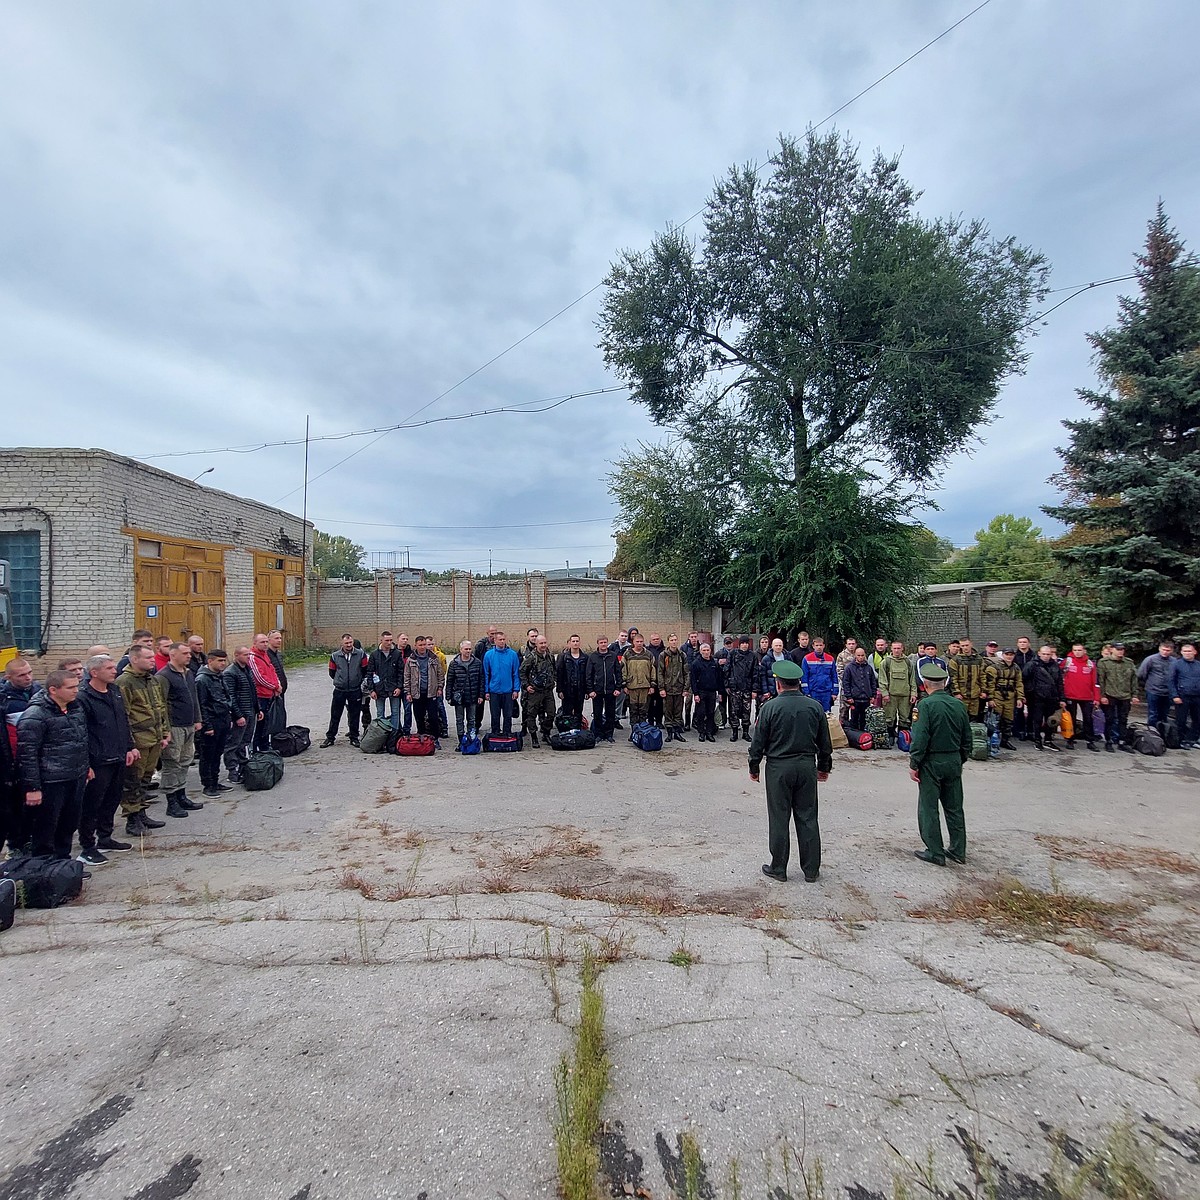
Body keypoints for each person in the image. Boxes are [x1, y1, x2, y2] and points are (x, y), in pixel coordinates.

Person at [748, 659, 832, 883]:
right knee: (808, 818)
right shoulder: (814, 707)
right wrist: (824, 767)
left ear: (778, 684)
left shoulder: (769, 708)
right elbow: (826, 743)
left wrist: (754, 766)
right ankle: (811, 869)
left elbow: (758, 742)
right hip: (806, 766)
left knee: (779, 817)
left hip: (778, 767)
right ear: (798, 683)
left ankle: (778, 867)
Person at [17, 669, 92, 861]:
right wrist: (33, 787)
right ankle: (44, 869)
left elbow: (81, 740)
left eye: (77, 686)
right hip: (51, 781)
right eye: (71, 687)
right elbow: (27, 754)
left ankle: (63, 865)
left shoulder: (75, 708)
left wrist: (86, 766)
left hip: (75, 775)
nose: (76, 691)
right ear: (53, 690)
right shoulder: (35, 715)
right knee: (47, 827)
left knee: (68, 824)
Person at [907, 663, 973, 866]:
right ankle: (958, 849)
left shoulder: (924, 705)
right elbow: (968, 738)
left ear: (925, 684)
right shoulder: (958, 705)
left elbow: (920, 737)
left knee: (929, 807)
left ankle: (935, 851)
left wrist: (914, 762)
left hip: (931, 761)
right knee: (954, 807)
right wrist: (960, 757)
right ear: (944, 683)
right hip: (953, 760)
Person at [76, 654, 139, 864]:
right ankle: (87, 845)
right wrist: (87, 763)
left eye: (114, 667)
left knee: (112, 800)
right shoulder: (83, 697)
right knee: (92, 803)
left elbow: (123, 720)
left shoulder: (114, 690)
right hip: (98, 759)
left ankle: (105, 837)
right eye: (110, 668)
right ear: (94, 672)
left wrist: (130, 746)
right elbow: (81, 733)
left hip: (119, 756)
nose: (115, 670)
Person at [116, 644, 170, 836]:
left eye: (152, 657)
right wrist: (129, 745)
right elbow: (123, 716)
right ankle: (132, 819)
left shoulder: (152, 680)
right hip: (139, 740)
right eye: (147, 658)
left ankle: (142, 813)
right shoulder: (124, 682)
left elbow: (160, 708)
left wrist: (165, 732)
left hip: (154, 737)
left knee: (145, 779)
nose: (152, 660)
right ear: (134, 659)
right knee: (133, 781)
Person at [157, 641, 204, 817]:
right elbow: (160, 704)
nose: (189, 656)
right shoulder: (164, 676)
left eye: (189, 653)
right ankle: (172, 801)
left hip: (189, 723)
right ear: (173, 655)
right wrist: (165, 729)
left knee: (185, 759)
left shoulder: (188, 673)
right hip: (174, 726)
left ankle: (182, 795)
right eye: (185, 653)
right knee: (172, 762)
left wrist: (197, 718)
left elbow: (194, 697)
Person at [196, 649, 234, 797]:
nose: (223, 663)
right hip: (211, 722)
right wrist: (208, 725)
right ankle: (208, 785)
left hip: (223, 719)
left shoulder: (220, 676)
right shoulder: (202, 679)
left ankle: (215, 781)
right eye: (219, 661)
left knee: (217, 753)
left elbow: (226, 697)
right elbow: (202, 704)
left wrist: (229, 717)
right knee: (208, 754)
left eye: (224, 660)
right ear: (210, 661)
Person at [321, 634, 370, 748]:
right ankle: (330, 737)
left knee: (354, 714)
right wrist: (341, 680)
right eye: (346, 643)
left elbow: (364, 670)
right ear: (342, 644)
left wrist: (356, 681)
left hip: (355, 689)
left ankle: (354, 738)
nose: (349, 645)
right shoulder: (334, 656)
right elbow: (332, 672)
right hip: (340, 690)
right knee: (335, 714)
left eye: (350, 643)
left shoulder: (360, 654)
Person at [1023, 646, 1066, 752]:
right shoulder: (1032, 664)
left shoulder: (1055, 665)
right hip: (1036, 697)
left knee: (1050, 720)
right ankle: (1037, 740)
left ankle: (1048, 740)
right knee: (1037, 720)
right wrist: (1029, 693)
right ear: (1039, 653)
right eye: (1044, 654)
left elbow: (1059, 683)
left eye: (1048, 654)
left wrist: (1062, 698)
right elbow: (1024, 679)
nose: (1046, 656)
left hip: (1052, 697)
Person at [222, 647, 256, 782]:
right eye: (245, 654)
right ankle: (232, 770)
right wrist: (237, 715)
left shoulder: (247, 669)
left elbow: (252, 691)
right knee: (233, 743)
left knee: (245, 741)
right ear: (236, 655)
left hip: (250, 711)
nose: (248, 657)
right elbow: (230, 697)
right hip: (240, 713)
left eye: (249, 654)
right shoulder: (230, 673)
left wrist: (257, 709)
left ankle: (243, 766)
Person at [1096, 641, 1138, 752]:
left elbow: (1133, 680)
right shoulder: (1104, 662)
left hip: (1125, 695)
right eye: (1118, 649)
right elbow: (1101, 680)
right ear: (1112, 650)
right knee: (1109, 719)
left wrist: (1135, 694)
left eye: (1122, 649)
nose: (1120, 652)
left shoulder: (1129, 663)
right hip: (1110, 694)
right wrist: (1102, 695)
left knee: (1123, 719)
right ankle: (1108, 741)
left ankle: (1122, 742)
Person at [404, 635, 445, 746]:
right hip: (417, 693)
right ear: (415, 645)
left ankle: (435, 739)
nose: (422, 647)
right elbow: (407, 676)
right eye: (420, 645)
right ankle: (421, 738)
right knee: (419, 717)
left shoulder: (434, 658)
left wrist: (440, 687)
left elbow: (440, 674)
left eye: (424, 645)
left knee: (433, 717)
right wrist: (408, 692)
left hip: (431, 693)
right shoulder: (410, 660)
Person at [1061, 643, 1100, 751]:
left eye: (1079, 650)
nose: (1077, 652)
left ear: (1084, 651)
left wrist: (1096, 698)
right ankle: (1070, 740)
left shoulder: (1090, 664)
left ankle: (1090, 741)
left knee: (1088, 719)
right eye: (1075, 650)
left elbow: (1095, 682)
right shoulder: (1067, 662)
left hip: (1087, 697)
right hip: (1070, 695)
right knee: (1071, 719)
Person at [983, 649, 1025, 750]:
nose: (1009, 657)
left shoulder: (1016, 668)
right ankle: (991, 741)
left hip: (1010, 697)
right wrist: (990, 698)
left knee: (1008, 721)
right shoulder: (993, 668)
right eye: (1007, 654)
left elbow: (1019, 683)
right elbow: (990, 684)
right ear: (1003, 655)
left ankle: (1005, 741)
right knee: (994, 720)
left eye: (1011, 655)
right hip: (997, 696)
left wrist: (1020, 698)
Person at [520, 635, 558, 747]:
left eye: (545, 643)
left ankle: (546, 733)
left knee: (551, 713)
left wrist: (554, 681)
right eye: (541, 643)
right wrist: (526, 686)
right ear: (536, 644)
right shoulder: (531, 657)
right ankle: (534, 737)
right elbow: (522, 672)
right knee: (531, 715)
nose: (543, 645)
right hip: (534, 692)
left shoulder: (550, 656)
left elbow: (554, 670)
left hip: (548, 691)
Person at [483, 631, 522, 736]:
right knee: (495, 716)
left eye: (504, 639)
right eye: (500, 640)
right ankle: (495, 734)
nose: (502, 641)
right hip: (494, 691)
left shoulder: (512, 655)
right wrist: (486, 691)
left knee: (508, 715)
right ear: (494, 640)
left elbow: (516, 673)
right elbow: (486, 674)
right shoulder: (488, 655)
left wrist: (516, 689)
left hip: (508, 691)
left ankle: (507, 734)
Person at [446, 641, 484, 746]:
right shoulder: (454, 663)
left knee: (472, 720)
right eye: (466, 649)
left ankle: (471, 740)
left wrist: (481, 695)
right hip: (459, 697)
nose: (468, 651)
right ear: (460, 650)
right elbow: (449, 680)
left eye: (469, 649)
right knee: (459, 720)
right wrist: (448, 696)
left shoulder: (477, 663)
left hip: (473, 696)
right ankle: (461, 741)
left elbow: (481, 680)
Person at [586, 636, 623, 743]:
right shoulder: (593, 657)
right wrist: (590, 690)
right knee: (597, 714)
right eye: (601, 642)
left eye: (605, 642)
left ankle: (609, 734)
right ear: (598, 643)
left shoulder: (613, 656)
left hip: (611, 690)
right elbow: (589, 675)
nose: (603, 644)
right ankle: (598, 734)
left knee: (610, 714)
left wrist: (618, 688)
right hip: (597, 691)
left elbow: (618, 673)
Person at [877, 641, 916, 741]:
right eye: (894, 648)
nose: (896, 650)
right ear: (891, 649)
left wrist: (913, 693)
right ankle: (890, 737)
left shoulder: (908, 662)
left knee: (905, 718)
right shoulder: (886, 662)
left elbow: (912, 679)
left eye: (898, 648)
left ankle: (903, 738)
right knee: (889, 718)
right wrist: (885, 693)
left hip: (905, 695)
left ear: (902, 649)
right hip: (891, 696)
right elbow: (882, 679)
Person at [368, 632, 406, 733]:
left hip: (394, 688)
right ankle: (381, 734)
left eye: (390, 640)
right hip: (379, 689)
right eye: (387, 640)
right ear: (381, 640)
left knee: (395, 712)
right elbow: (369, 673)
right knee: (380, 713)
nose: (389, 642)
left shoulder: (397, 654)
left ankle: (394, 736)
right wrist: (371, 690)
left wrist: (399, 687)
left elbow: (401, 672)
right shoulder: (374, 655)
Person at [688, 642, 725, 742]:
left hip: (712, 692)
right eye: (704, 650)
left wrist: (720, 693)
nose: (706, 652)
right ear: (700, 651)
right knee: (700, 713)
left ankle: (709, 732)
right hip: (701, 692)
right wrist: (695, 694)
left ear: (710, 651)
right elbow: (693, 680)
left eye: (707, 650)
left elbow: (719, 679)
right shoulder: (696, 663)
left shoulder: (715, 663)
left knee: (710, 713)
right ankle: (701, 732)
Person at [658, 634, 691, 743]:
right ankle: (669, 733)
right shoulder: (663, 655)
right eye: (671, 640)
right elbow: (660, 673)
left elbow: (686, 673)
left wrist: (686, 688)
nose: (674, 642)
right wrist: (661, 688)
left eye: (675, 640)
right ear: (668, 642)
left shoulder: (682, 655)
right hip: (667, 688)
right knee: (668, 712)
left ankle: (677, 732)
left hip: (679, 688)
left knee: (678, 712)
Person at [622, 633, 659, 729]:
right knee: (633, 711)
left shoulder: (649, 655)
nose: (639, 643)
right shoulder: (627, 654)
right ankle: (634, 731)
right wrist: (624, 685)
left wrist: (652, 685)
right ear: (633, 642)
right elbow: (623, 670)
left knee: (643, 711)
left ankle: (643, 731)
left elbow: (653, 670)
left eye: (641, 642)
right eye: (637, 642)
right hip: (632, 687)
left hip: (645, 687)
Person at [725, 635, 758, 742]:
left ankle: (745, 732)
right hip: (735, 688)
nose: (744, 645)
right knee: (734, 710)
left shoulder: (753, 656)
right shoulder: (733, 654)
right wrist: (727, 685)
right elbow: (727, 670)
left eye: (746, 643)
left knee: (746, 711)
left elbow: (755, 674)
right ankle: (734, 732)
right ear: (739, 644)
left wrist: (754, 690)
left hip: (747, 688)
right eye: (743, 643)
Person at [1138, 641, 1177, 730]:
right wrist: (1149, 683)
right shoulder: (1150, 659)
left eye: (1168, 650)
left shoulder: (1174, 661)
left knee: (1164, 714)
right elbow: (1141, 674)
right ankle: (1152, 733)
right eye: (1163, 650)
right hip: (1153, 691)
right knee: (1153, 714)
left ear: (1171, 651)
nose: (1165, 652)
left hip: (1167, 692)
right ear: (1159, 648)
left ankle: (1163, 734)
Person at [949, 638, 987, 722]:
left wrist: (984, 690)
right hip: (962, 695)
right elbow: (953, 677)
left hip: (975, 695)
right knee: (961, 718)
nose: (965, 648)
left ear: (971, 645)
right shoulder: (955, 660)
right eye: (962, 646)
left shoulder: (979, 659)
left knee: (974, 719)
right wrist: (956, 692)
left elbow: (983, 676)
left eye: (967, 645)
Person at [557, 634, 590, 728]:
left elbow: (587, 675)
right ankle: (567, 730)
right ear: (569, 643)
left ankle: (577, 730)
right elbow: (560, 674)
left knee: (578, 712)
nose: (575, 643)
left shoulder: (585, 657)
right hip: (567, 690)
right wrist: (560, 690)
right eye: (573, 641)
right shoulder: (563, 657)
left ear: (580, 643)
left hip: (580, 690)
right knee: (566, 713)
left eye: (577, 641)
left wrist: (587, 691)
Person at [841, 647, 878, 731]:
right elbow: (846, 683)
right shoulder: (849, 668)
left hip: (866, 699)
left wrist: (873, 695)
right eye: (858, 655)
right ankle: (855, 738)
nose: (861, 657)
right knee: (854, 720)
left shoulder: (868, 668)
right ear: (855, 655)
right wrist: (849, 697)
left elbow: (873, 682)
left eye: (862, 655)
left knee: (865, 720)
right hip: (855, 699)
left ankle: (864, 739)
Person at [1172, 642, 1200, 749]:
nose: (1187, 653)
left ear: (1195, 652)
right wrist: (1175, 695)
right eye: (1185, 651)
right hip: (1182, 696)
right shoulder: (1176, 664)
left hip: (1197, 696)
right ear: (1181, 652)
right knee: (1181, 720)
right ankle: (1181, 740)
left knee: (1197, 719)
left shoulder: (1198, 665)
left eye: (1189, 651)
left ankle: (1192, 739)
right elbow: (1171, 681)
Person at [800, 637, 839, 715]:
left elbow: (834, 676)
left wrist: (835, 692)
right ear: (813, 646)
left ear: (824, 646)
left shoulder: (830, 659)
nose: (819, 647)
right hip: (813, 692)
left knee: (826, 715)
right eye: (817, 645)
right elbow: (804, 678)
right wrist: (806, 693)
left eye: (820, 645)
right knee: (813, 714)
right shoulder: (807, 659)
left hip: (826, 693)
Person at [474, 626, 499, 733]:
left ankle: (496, 727)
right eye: (491, 634)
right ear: (487, 633)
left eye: (495, 633)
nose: (493, 636)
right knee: (479, 704)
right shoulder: (481, 645)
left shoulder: (500, 644)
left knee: (495, 706)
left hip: (495, 679)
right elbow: (475, 661)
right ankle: (476, 725)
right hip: (482, 678)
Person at [266, 630, 288, 726]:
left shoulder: (278, 654)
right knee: (272, 719)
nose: (279, 640)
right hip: (272, 691)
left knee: (281, 717)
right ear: (269, 640)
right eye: (276, 638)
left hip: (281, 691)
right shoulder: (266, 655)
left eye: (280, 638)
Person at [682, 632, 703, 729]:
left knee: (699, 701)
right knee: (688, 702)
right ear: (689, 637)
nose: (694, 638)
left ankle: (695, 721)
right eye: (692, 637)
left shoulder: (701, 647)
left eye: (695, 637)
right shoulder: (684, 648)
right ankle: (687, 722)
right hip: (688, 679)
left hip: (699, 679)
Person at [759, 638, 788, 704]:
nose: (778, 647)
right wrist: (765, 691)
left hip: (785, 689)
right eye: (776, 645)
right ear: (772, 646)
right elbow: (763, 676)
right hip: (772, 690)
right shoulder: (766, 659)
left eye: (780, 645)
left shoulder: (787, 657)